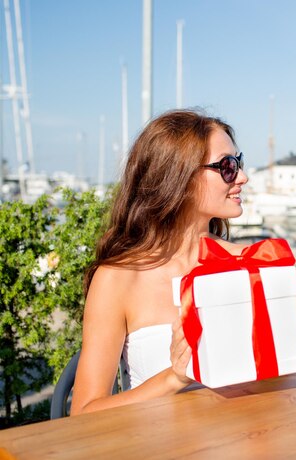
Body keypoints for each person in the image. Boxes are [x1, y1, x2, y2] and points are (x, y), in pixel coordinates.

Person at [71, 109, 248, 415]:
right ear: (180, 176)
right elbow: (84, 411)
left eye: (238, 163)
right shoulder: (120, 278)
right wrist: (174, 377)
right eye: (228, 167)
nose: (243, 177)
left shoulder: (246, 264)